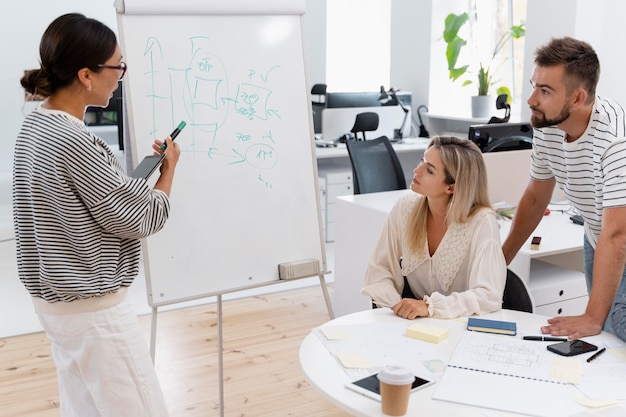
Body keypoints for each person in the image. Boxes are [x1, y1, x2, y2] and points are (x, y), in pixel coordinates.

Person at [13, 13, 179, 417]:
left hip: (56, 306)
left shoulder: (33, 127)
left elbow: (90, 203)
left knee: (83, 407)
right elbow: (139, 217)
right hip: (95, 312)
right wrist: (168, 172)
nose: (120, 76)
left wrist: (129, 183)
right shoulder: (75, 140)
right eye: (117, 66)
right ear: (86, 75)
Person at [502, 36, 626, 340]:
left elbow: (618, 234)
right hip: (598, 234)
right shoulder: (549, 124)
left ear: (577, 98)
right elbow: (535, 198)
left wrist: (592, 317)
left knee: (616, 326)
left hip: (616, 235)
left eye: (545, 91)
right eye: (534, 85)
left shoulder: (615, 141)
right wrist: (498, 263)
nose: (532, 99)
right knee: (605, 337)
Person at [361, 136, 507, 320]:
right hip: (418, 327)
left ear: (451, 188)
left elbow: (489, 295)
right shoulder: (406, 206)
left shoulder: (481, 221)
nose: (416, 170)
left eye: (429, 170)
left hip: (462, 327)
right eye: (422, 161)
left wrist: (431, 307)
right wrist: (398, 305)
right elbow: (380, 269)